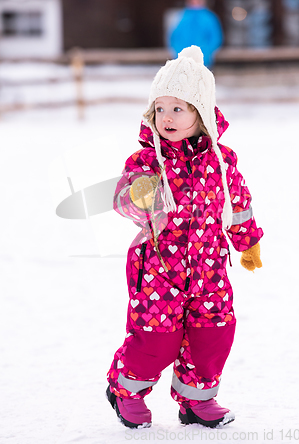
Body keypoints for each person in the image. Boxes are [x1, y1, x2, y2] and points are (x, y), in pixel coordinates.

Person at [106, 45, 263, 429]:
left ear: (201, 112)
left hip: (210, 267)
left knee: (213, 334)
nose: (167, 118)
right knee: (156, 338)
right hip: (160, 270)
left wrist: (248, 240)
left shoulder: (222, 162)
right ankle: (125, 390)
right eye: (160, 109)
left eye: (178, 108)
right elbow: (123, 202)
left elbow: (237, 202)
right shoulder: (145, 161)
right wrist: (138, 195)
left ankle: (196, 401)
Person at [169, 0, 223, 67]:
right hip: (182, 60)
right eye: (193, 0)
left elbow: (216, 38)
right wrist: (178, 52)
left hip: (204, 60)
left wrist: (208, 52)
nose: (195, 3)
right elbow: (173, 37)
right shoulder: (181, 17)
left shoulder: (209, 18)